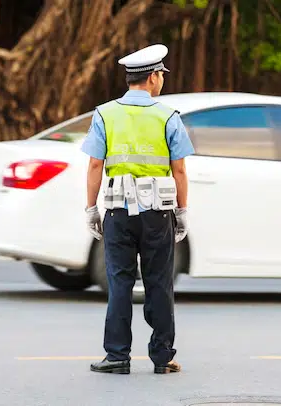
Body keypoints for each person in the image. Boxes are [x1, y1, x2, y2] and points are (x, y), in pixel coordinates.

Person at [80, 44, 195, 375]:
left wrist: (91, 208)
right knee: (159, 282)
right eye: (162, 75)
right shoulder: (167, 117)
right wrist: (182, 212)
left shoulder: (105, 114)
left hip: (117, 214)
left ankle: (117, 356)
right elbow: (180, 171)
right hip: (158, 214)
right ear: (154, 78)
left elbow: (94, 166)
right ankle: (162, 357)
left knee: (119, 282)